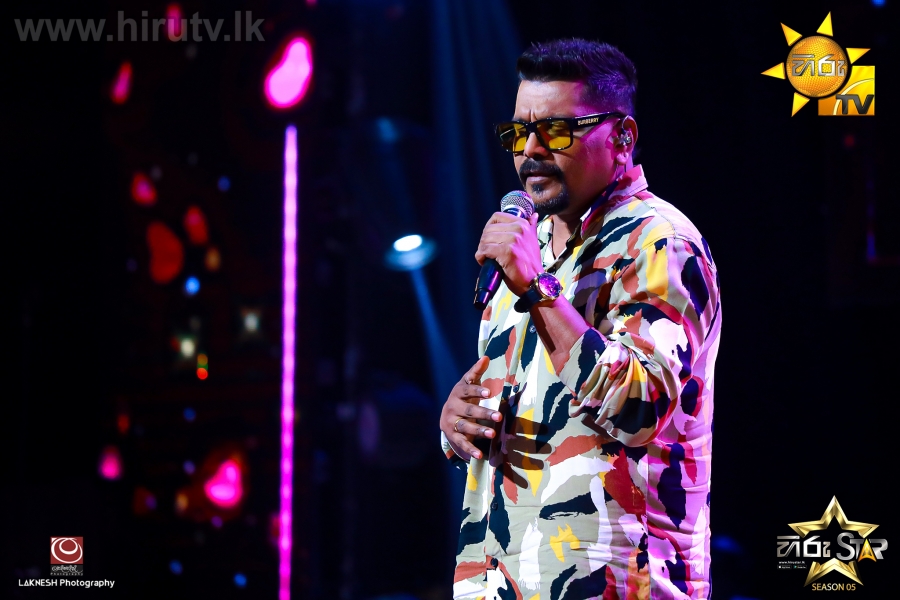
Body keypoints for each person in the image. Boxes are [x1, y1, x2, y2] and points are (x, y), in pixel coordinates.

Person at [439, 39, 721, 599]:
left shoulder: (660, 243)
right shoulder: (526, 246)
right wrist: (457, 421)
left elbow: (638, 407)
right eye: (519, 132)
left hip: (611, 576)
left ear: (622, 137)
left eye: (557, 131)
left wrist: (536, 289)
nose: (531, 150)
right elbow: (521, 400)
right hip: (499, 575)